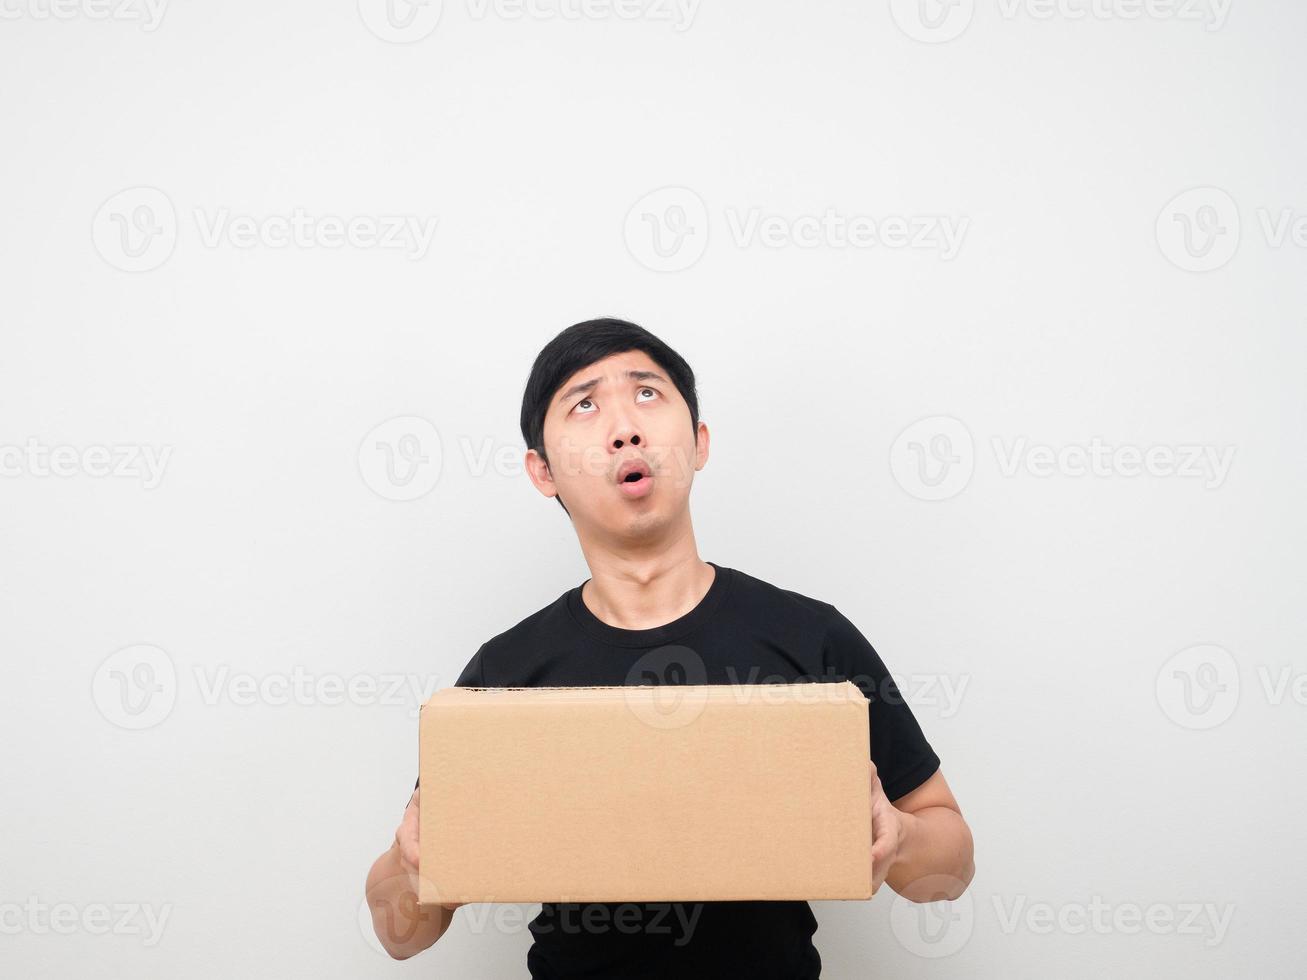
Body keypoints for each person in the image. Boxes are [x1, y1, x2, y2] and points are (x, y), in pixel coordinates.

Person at [364, 317, 975, 977]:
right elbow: (402, 935)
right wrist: (409, 863)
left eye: (648, 394)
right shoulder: (504, 674)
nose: (623, 426)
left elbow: (949, 869)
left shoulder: (810, 637)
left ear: (698, 441)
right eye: (585, 404)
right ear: (542, 470)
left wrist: (900, 837)